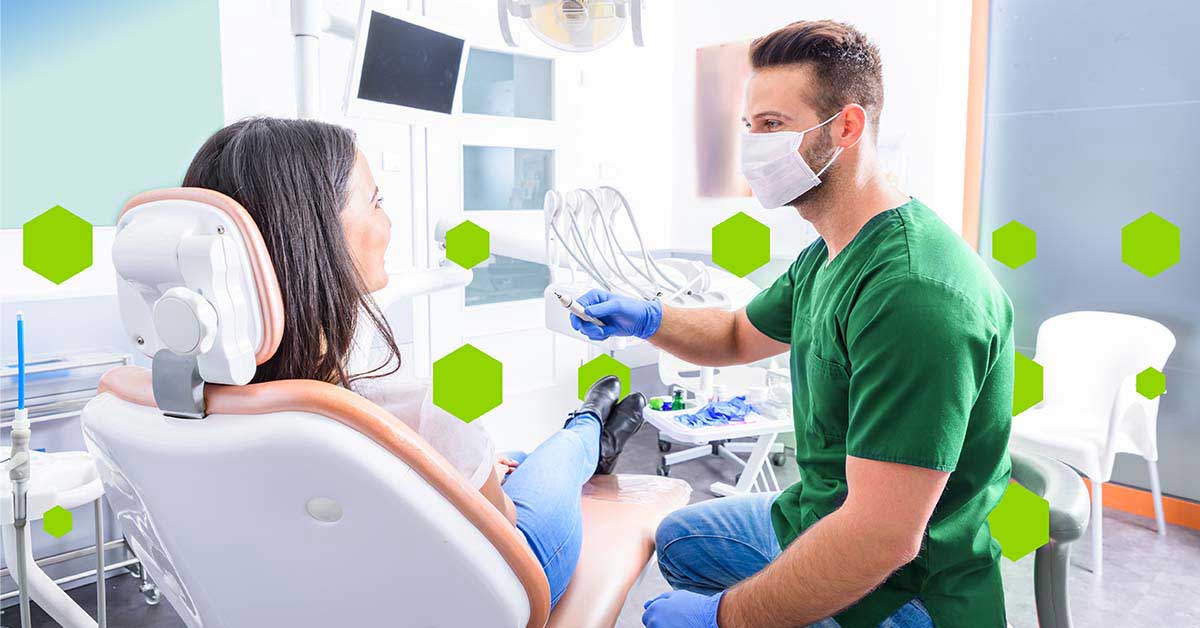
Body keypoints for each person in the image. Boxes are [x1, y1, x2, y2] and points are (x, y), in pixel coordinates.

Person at [573, 21, 1014, 628]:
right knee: (676, 539)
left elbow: (882, 537)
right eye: (750, 127)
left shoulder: (914, 293)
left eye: (773, 126)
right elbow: (735, 335)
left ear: (846, 128)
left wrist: (726, 617)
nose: (752, 146)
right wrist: (647, 319)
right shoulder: (828, 251)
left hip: (905, 588)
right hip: (819, 512)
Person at [181, 116, 646, 608]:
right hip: (491, 590)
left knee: (515, 459)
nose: (388, 220)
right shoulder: (403, 407)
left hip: (312, 598)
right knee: (558, 458)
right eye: (376, 202)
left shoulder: (181, 402)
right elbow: (503, 523)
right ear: (315, 236)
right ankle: (589, 428)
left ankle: (560, 444)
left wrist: (473, 463)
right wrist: (474, 467)